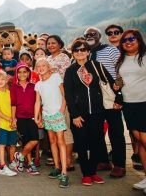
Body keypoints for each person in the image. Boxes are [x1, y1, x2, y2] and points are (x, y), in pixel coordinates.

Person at [64, 39, 112, 186]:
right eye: (77, 50)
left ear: (88, 52)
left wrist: (121, 96)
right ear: (73, 53)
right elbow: (69, 95)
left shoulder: (97, 66)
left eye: (83, 49)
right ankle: (86, 174)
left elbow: (112, 81)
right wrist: (74, 115)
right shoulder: (70, 71)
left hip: (98, 112)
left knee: (97, 142)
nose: (80, 52)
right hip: (80, 114)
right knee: (82, 143)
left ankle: (93, 172)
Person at [85, 27, 126, 176]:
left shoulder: (111, 50)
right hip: (95, 99)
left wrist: (119, 95)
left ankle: (120, 165)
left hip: (111, 96)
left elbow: (122, 72)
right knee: (96, 132)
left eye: (93, 34)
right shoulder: (85, 53)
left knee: (116, 132)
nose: (90, 36)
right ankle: (103, 161)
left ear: (99, 36)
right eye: (87, 35)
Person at [115, 30, 146, 191]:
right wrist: (117, 85)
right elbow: (120, 80)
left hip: (144, 102)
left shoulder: (144, 57)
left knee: (145, 139)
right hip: (129, 104)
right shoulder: (121, 60)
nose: (128, 41)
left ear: (139, 40)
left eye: (132, 39)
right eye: (125, 40)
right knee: (138, 139)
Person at [34, 58, 69, 188]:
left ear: (48, 67)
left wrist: (62, 109)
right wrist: (36, 116)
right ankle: (57, 167)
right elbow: (38, 102)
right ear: (36, 69)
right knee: (52, 141)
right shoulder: (38, 85)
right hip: (47, 115)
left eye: (44, 65)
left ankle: (64, 173)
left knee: (61, 141)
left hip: (58, 114)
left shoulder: (55, 77)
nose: (41, 68)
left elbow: (65, 95)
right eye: (39, 66)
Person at [46, 35, 74, 171]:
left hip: (61, 97)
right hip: (49, 99)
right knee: (53, 131)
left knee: (64, 128)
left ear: (60, 44)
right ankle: (59, 158)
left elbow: (65, 77)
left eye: (53, 43)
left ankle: (68, 159)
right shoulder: (47, 59)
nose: (51, 45)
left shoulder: (64, 57)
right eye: (48, 43)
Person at [11, 62, 40, 175]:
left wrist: (39, 117)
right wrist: (13, 119)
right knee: (26, 140)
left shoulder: (34, 86)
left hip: (32, 117)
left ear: (28, 73)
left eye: (25, 72)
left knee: (35, 140)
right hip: (20, 117)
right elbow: (13, 104)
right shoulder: (14, 87)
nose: (22, 74)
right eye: (20, 72)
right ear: (17, 74)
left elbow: (37, 103)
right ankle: (30, 165)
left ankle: (20, 155)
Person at [0, 70, 17, 177]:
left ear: (7, 80)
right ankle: (2, 166)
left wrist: (13, 119)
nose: (0, 81)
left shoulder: (9, 92)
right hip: (2, 125)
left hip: (12, 124)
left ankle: (11, 162)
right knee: (2, 145)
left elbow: (13, 106)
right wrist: (9, 119)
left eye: (3, 79)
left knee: (12, 144)